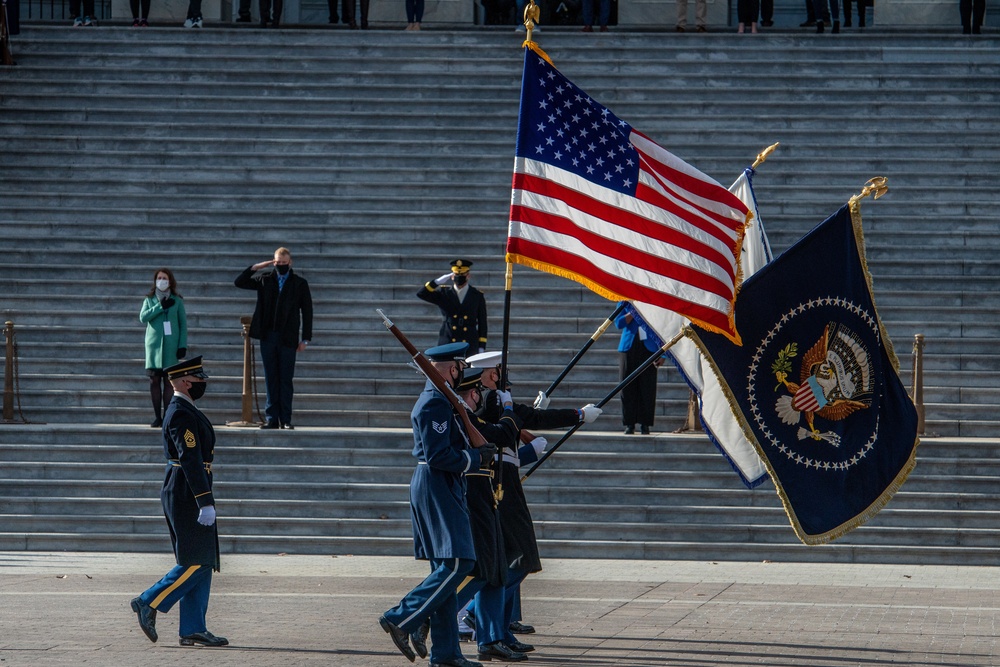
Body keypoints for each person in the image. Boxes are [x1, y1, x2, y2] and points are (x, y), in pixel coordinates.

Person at [465, 351, 601, 651]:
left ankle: (497, 628)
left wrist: (576, 414)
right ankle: (479, 617)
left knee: (516, 556)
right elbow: (521, 421)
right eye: (500, 369)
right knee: (520, 556)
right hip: (499, 481)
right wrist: (576, 414)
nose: (504, 373)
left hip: (506, 478)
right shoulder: (491, 399)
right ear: (491, 374)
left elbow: (533, 417)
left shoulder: (497, 399)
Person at [379, 342, 495, 667]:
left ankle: (445, 654)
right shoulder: (434, 403)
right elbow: (438, 455)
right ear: (451, 368)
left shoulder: (444, 400)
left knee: (445, 567)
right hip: (436, 484)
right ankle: (401, 618)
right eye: (459, 367)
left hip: (440, 484)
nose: (461, 374)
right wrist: (474, 459)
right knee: (459, 564)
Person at [130, 356, 229, 648]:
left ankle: (193, 627)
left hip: (189, 486)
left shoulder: (186, 408)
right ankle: (148, 601)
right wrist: (204, 500)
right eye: (200, 380)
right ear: (186, 382)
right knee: (194, 561)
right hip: (186, 490)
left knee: (203, 560)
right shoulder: (180, 413)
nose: (203, 384)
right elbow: (190, 458)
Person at [452, 368, 528, 663]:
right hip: (473, 500)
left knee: (495, 570)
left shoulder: (470, 418)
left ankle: (491, 637)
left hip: (487, 498)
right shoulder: (468, 419)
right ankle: (438, 617)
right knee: (482, 571)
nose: (478, 399)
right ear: (472, 394)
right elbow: (504, 434)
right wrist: (508, 408)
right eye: (477, 395)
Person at [234, 247, 313, 430]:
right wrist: (256, 267)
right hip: (268, 335)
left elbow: (307, 311)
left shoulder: (299, 283)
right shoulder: (265, 279)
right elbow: (239, 282)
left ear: (290, 263)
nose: (280, 266)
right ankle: (272, 418)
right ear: (273, 262)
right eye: (277, 262)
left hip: (288, 337)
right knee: (271, 378)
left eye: (283, 263)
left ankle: (285, 419)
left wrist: (305, 338)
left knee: (285, 378)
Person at [140, 268, 188, 428]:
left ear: (170, 281)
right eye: (159, 278)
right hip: (153, 347)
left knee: (168, 382)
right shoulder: (149, 299)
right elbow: (143, 317)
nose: (161, 281)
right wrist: (159, 306)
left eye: (164, 278)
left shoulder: (177, 301)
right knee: (154, 380)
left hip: (170, 347)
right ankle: (157, 416)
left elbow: (183, 325)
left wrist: (182, 345)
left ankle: (168, 416)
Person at [417, 259, 488, 353]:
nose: (459, 277)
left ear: (468, 276)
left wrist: (481, 346)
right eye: (457, 275)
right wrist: (436, 282)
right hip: (448, 340)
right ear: (452, 276)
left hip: (469, 342)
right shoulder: (444, 293)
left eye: (462, 275)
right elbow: (422, 294)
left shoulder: (477, 295)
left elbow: (482, 322)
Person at [614, 305, 663, 435]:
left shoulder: (652, 300)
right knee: (627, 386)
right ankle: (629, 424)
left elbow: (663, 326)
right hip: (629, 346)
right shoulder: (625, 300)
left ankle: (645, 424)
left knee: (647, 387)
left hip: (649, 347)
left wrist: (663, 354)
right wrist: (632, 313)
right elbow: (618, 323)